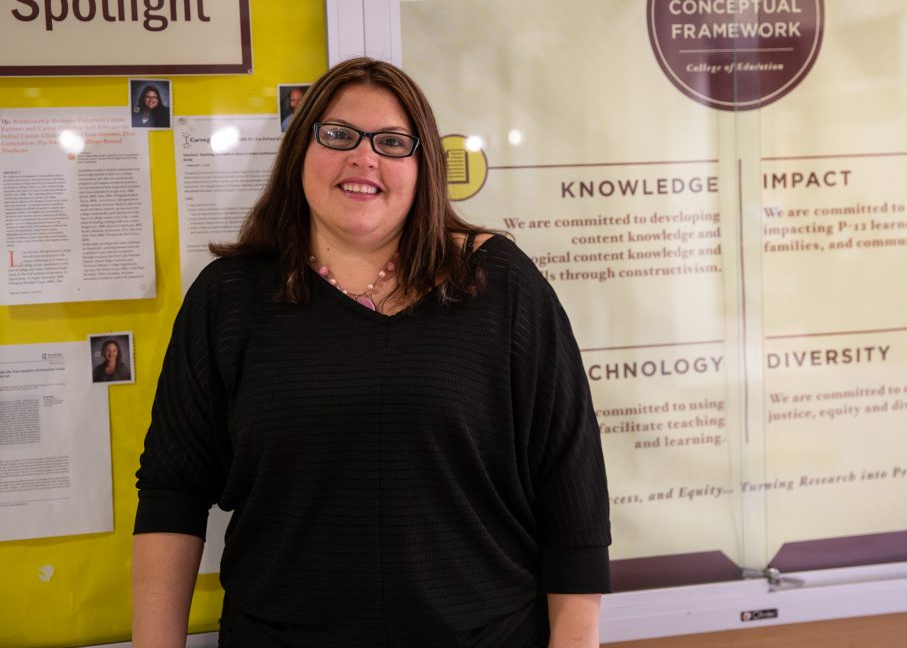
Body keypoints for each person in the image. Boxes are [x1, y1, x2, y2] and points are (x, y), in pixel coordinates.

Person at [133, 57, 611, 647]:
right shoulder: (229, 297)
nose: (364, 158)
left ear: (424, 167)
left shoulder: (498, 285)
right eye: (338, 135)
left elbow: (572, 491)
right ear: (299, 153)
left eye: (392, 142)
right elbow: (170, 492)